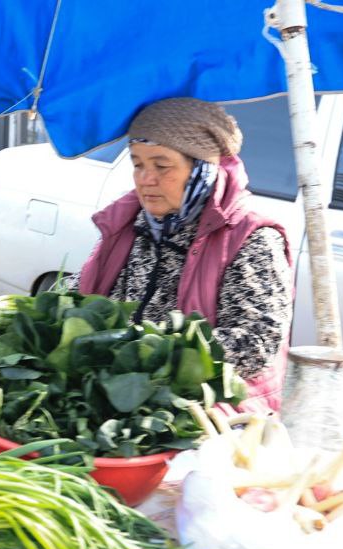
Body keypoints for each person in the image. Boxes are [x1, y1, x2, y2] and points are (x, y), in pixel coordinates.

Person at [75, 98, 293, 410]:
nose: (146, 179)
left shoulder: (251, 237)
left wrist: (157, 354)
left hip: (211, 416)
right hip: (128, 398)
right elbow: (89, 290)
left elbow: (257, 342)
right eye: (138, 164)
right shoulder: (132, 222)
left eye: (162, 166)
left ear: (202, 169)